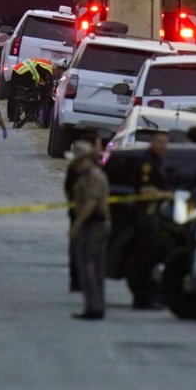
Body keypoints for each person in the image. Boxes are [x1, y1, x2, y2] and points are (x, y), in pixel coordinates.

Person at [66, 140, 111, 320]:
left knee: (88, 267)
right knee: (96, 267)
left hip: (93, 225)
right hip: (96, 224)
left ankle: (93, 306)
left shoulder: (92, 177)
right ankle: (95, 305)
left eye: (78, 161)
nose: (76, 165)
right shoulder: (89, 175)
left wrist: (77, 223)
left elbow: (91, 203)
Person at [129, 130, 170, 310]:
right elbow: (145, 190)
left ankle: (146, 297)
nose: (163, 146)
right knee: (144, 259)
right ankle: (142, 299)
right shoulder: (147, 162)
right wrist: (167, 195)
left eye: (165, 143)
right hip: (145, 215)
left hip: (152, 215)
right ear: (152, 142)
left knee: (149, 257)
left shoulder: (157, 161)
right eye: (160, 142)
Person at [64, 131, 104, 292]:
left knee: (80, 249)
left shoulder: (83, 166)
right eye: (99, 143)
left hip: (80, 213)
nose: (101, 147)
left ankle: (78, 280)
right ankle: (81, 281)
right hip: (86, 214)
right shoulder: (87, 169)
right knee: (82, 250)